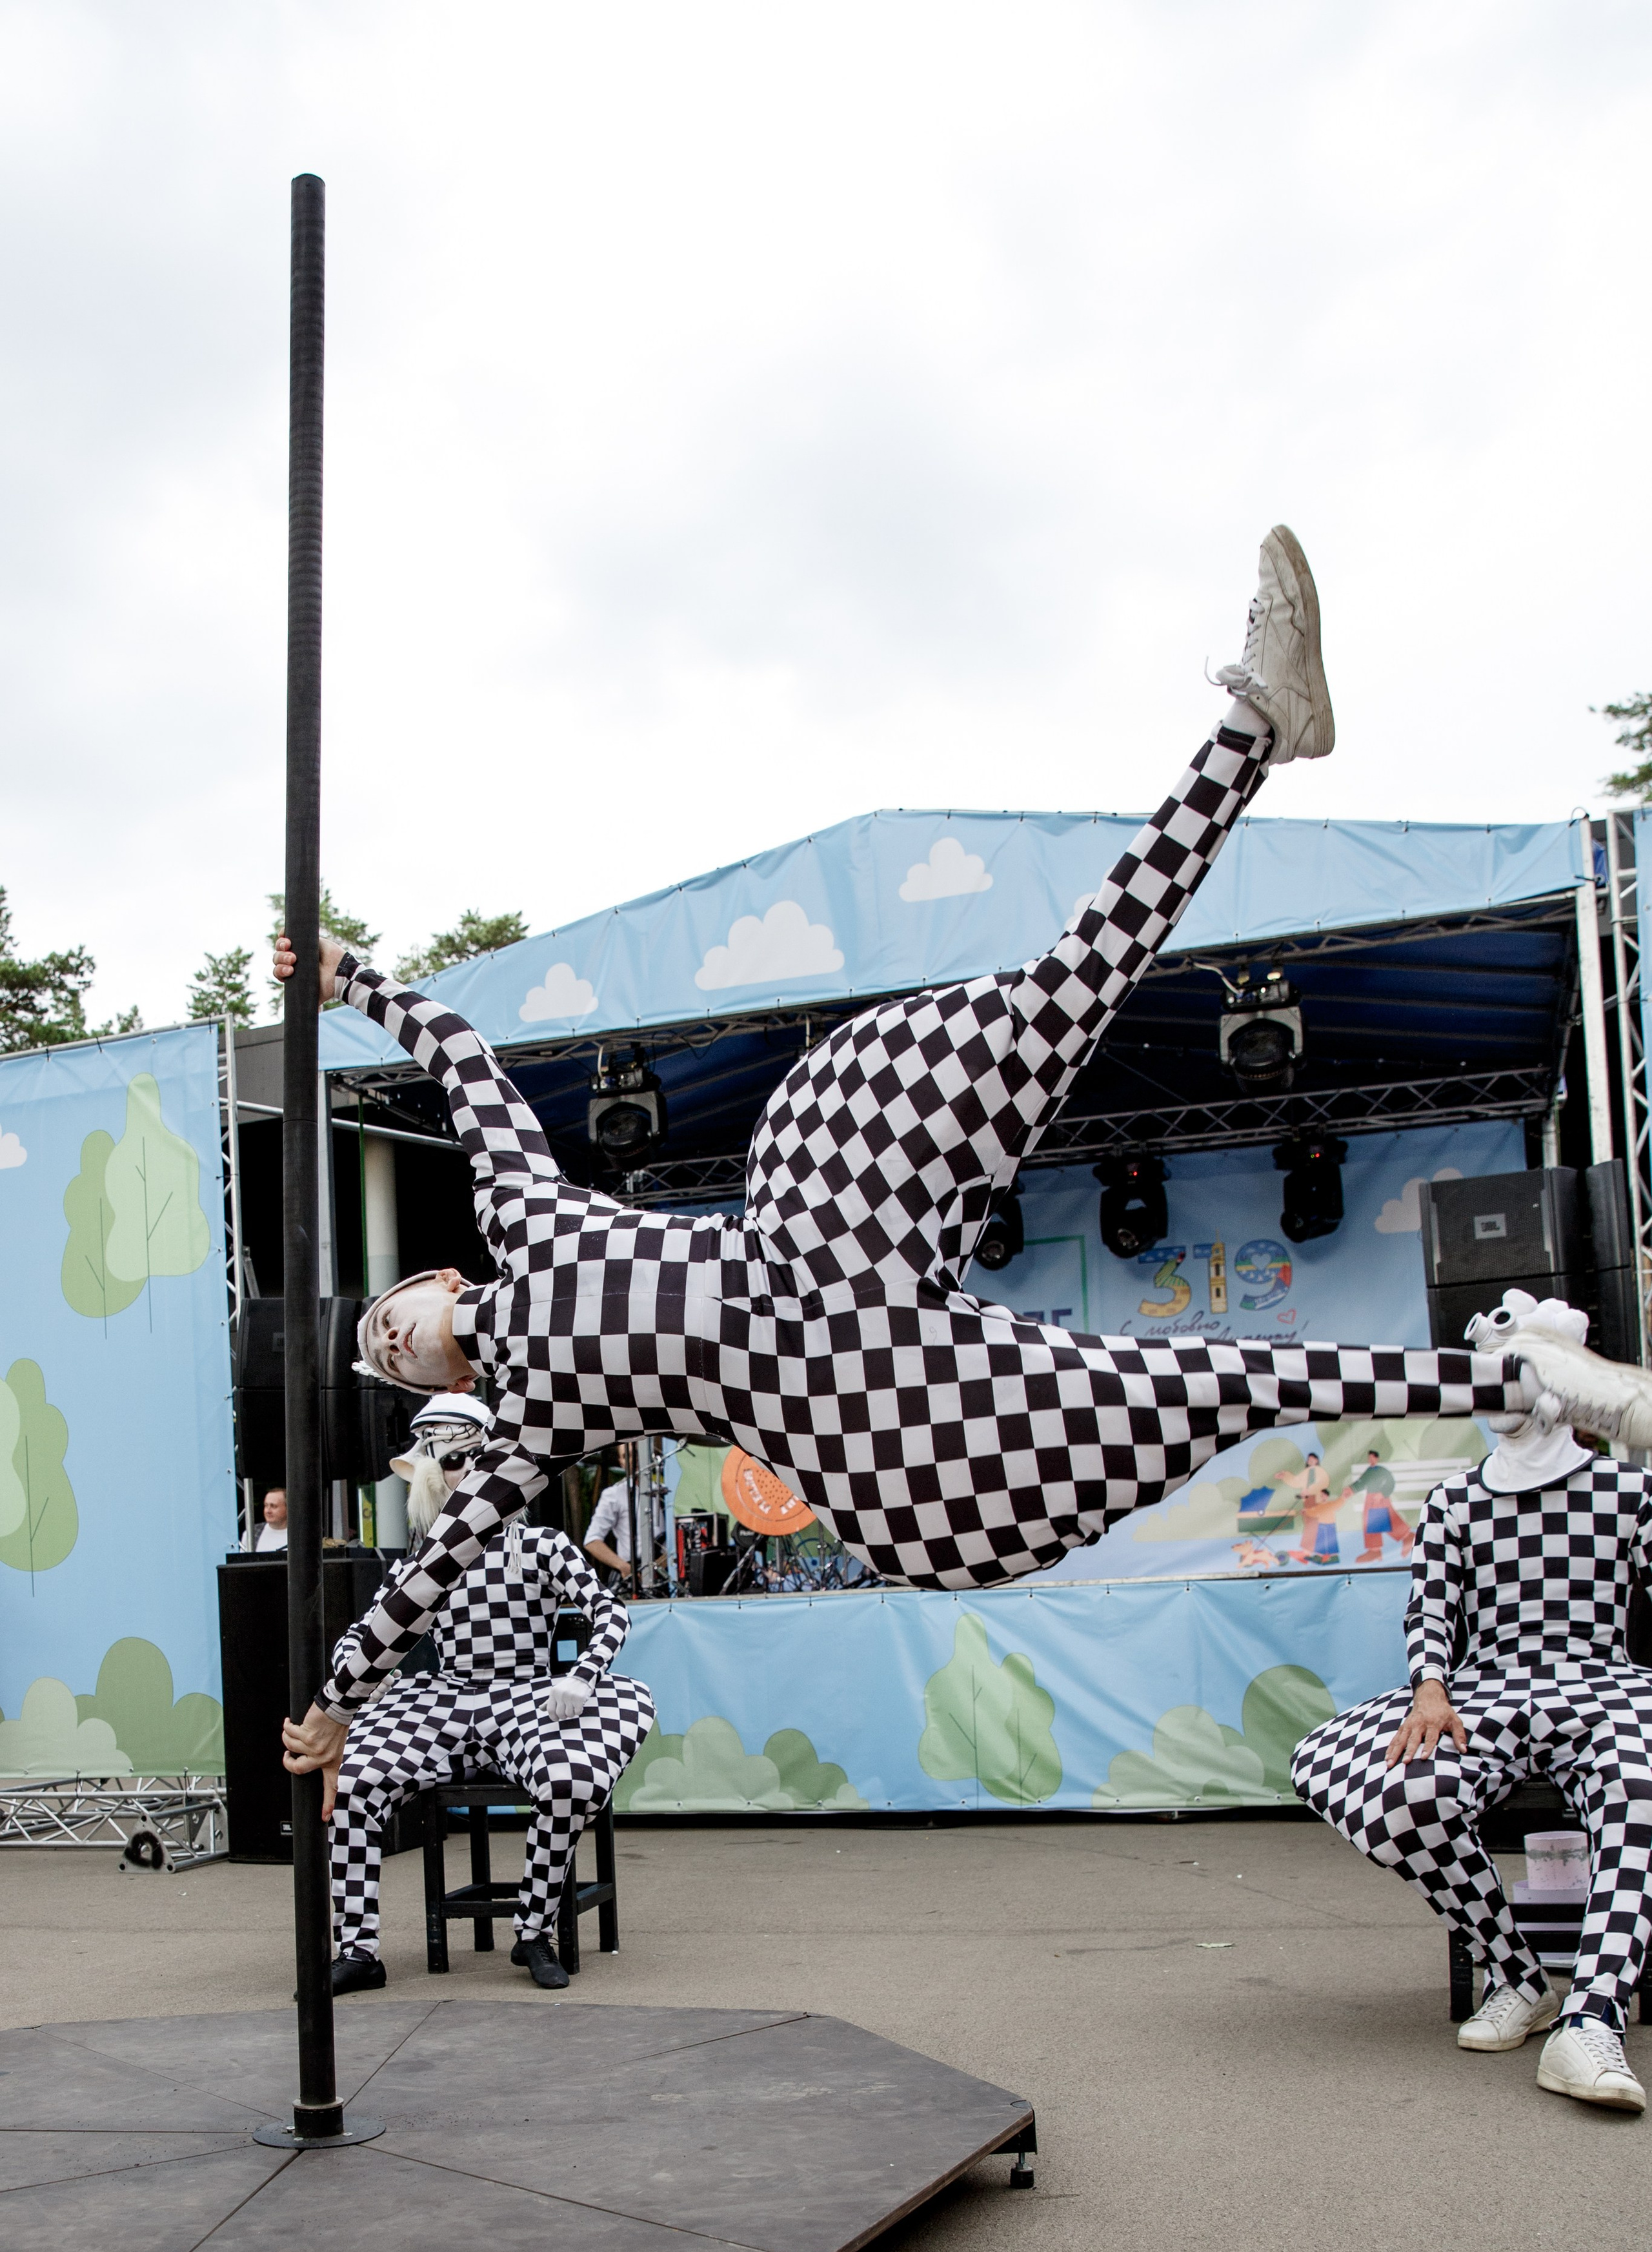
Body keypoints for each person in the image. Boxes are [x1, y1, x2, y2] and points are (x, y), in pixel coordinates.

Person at [278, 529, 1652, 1785]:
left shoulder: (523, 1214)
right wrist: (339, 1692)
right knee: (1213, 1377)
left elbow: (460, 1055)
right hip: (859, 1409)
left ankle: (1247, 731)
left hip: (815, 1228)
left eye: (387, 1325)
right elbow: (426, 1576)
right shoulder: (524, 1430)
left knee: (1049, 1006)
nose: (392, 1345)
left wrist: (352, 976)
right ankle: (1515, 1376)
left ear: (441, 1280)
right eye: (388, 1361)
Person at [1293, 1293, 1652, 2113]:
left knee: (1637, 1785)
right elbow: (1432, 1608)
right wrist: (1429, 1685)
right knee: (1400, 1795)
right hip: (1485, 1689)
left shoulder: (1626, 1491)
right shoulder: (1455, 1502)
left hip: (1599, 1681)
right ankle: (1518, 1975)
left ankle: (1591, 2017)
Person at [319, 1394, 652, 1993]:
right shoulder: (422, 1564)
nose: (463, 1472)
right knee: (352, 1783)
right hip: (443, 1701)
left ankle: (533, 1931)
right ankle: (358, 1948)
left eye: (473, 1458)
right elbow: (362, 1635)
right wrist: (366, 1673)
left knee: (567, 1782)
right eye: (448, 1462)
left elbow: (609, 1611)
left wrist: (584, 1674)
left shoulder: (541, 1545)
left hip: (526, 1697)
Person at [582, 1443, 665, 1592]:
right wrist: (624, 1567)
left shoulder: (661, 1490)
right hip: (634, 1573)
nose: (635, 1460)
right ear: (621, 1462)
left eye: (639, 1454)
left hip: (664, 1572)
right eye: (628, 1455)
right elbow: (592, 1541)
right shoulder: (614, 1494)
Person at [1355, 1446, 1414, 1564]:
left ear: (1377, 1458)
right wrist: (1351, 1490)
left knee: (1386, 1519)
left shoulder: (1383, 1471)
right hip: (1370, 1499)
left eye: (1373, 1458)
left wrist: (1382, 1494)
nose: (1371, 1460)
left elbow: (1391, 1483)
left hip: (1381, 1499)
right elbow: (1361, 1483)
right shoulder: (1369, 1471)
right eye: (1369, 1458)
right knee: (1371, 1522)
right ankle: (1375, 1550)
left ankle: (1408, 1537)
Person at [247, 1486, 287, 1553]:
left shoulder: (301, 1534)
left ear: (287, 1508)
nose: (268, 1511)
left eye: (273, 1506)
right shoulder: (252, 1533)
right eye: (266, 1505)